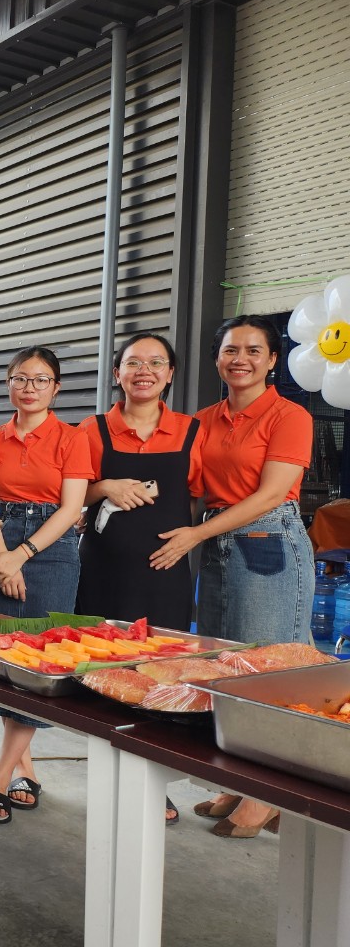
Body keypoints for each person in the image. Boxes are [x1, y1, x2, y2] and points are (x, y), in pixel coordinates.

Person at [153, 315, 314, 839]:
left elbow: (270, 494)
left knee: (268, 668)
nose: (239, 359)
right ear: (217, 358)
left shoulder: (289, 416)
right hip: (219, 538)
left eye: (252, 350)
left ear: (272, 360)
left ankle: (267, 794)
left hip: (268, 542)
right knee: (228, 666)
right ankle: (244, 781)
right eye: (229, 350)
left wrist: (195, 536)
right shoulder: (203, 419)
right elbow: (190, 487)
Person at [76, 332, 205, 826]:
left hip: (166, 576)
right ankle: (108, 777)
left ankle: (154, 783)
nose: (144, 371)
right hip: (104, 573)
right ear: (117, 374)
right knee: (100, 675)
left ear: (170, 374)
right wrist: (105, 487)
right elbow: (71, 495)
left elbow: (203, 497)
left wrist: (191, 537)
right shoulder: (92, 430)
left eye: (156, 363)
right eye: (133, 362)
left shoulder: (192, 432)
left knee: (160, 677)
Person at [0, 347, 90, 825]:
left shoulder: (71, 437)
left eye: (41, 380)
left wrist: (22, 555)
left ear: (56, 388)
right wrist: (3, 557)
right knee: (2, 658)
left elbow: (71, 509)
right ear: (8, 384)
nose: (29, 388)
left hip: (52, 548)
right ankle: (26, 766)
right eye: (21, 378)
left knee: (39, 660)